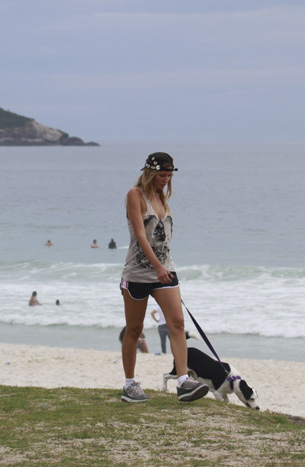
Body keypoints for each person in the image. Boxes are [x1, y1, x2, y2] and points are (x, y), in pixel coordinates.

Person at [119, 152, 208, 403]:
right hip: (138, 272)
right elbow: (140, 235)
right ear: (149, 172)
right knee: (134, 329)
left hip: (165, 270)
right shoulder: (135, 196)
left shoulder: (163, 197)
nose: (165, 180)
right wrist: (156, 266)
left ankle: (183, 381)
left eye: (169, 176)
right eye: (161, 175)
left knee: (177, 323)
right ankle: (129, 385)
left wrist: (162, 267)